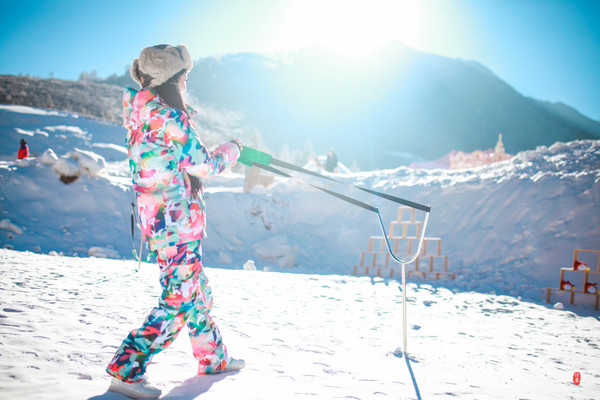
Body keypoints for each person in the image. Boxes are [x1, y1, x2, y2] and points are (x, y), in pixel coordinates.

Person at [106, 44, 244, 399]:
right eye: (185, 77)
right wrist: (234, 149)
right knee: (180, 297)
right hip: (176, 221)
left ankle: (212, 357)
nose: (187, 83)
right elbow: (204, 166)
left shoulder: (144, 114)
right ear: (174, 79)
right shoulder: (170, 118)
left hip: (162, 220)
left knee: (193, 291)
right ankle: (127, 367)